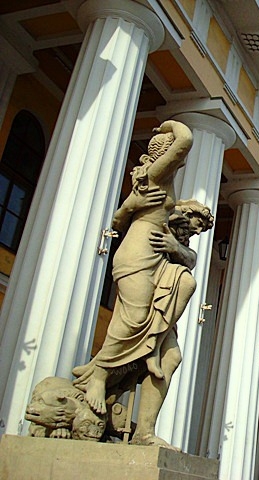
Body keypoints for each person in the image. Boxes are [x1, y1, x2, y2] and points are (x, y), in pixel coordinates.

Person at [73, 120, 193, 416]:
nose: (181, 159)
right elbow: (185, 140)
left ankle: (152, 347)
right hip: (137, 253)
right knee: (135, 317)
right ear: (166, 153)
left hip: (157, 256)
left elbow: (121, 217)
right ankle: (98, 377)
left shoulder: (158, 178)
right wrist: (169, 125)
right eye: (173, 154)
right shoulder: (156, 174)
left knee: (185, 286)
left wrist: (174, 244)